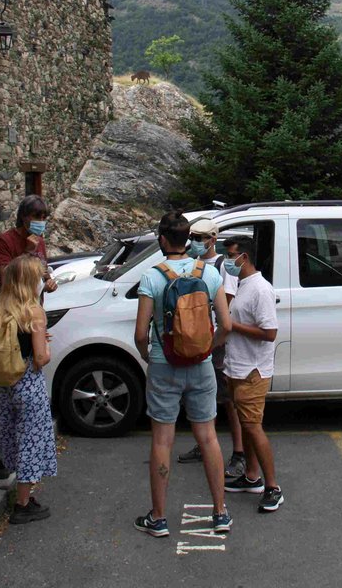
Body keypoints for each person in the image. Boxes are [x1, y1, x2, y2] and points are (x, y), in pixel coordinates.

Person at [133, 211, 234, 537]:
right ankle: (220, 512)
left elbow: (139, 333)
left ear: (163, 240)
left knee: (163, 439)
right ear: (188, 239)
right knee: (208, 436)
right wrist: (206, 349)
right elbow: (227, 326)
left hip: (165, 364)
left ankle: (159, 518)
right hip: (201, 366)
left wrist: (151, 356)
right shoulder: (208, 274)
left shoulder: (152, 277)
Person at [0, 195, 58, 480]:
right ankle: (8, 462)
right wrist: (25, 252)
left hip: (32, 314)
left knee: (25, 388)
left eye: (44, 216)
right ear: (23, 218)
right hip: (10, 319)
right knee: (11, 394)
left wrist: (49, 279)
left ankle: (11, 460)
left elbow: (41, 270)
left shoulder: (39, 242)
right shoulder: (5, 240)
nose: (41, 222)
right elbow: (7, 278)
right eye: (36, 216)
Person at [177, 218, 247, 477]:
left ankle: (239, 453)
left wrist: (217, 337)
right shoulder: (192, 263)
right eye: (193, 236)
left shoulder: (222, 266)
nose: (195, 241)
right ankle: (204, 444)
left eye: (201, 237)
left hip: (217, 340)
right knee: (205, 395)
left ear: (213, 239)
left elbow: (226, 303)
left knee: (229, 399)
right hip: (197, 337)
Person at [0, 255, 57, 524]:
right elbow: (40, 359)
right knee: (31, 440)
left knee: (11, 433)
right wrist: (46, 346)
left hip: (4, 382)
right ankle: (22, 503)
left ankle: (14, 486)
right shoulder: (34, 311)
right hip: (28, 383)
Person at [221, 236, 283, 512]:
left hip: (253, 370)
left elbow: (269, 333)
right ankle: (252, 477)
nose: (227, 261)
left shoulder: (261, 289)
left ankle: (273, 487)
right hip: (236, 366)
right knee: (247, 425)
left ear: (244, 257)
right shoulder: (241, 286)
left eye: (230, 255)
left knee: (253, 427)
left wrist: (232, 325)